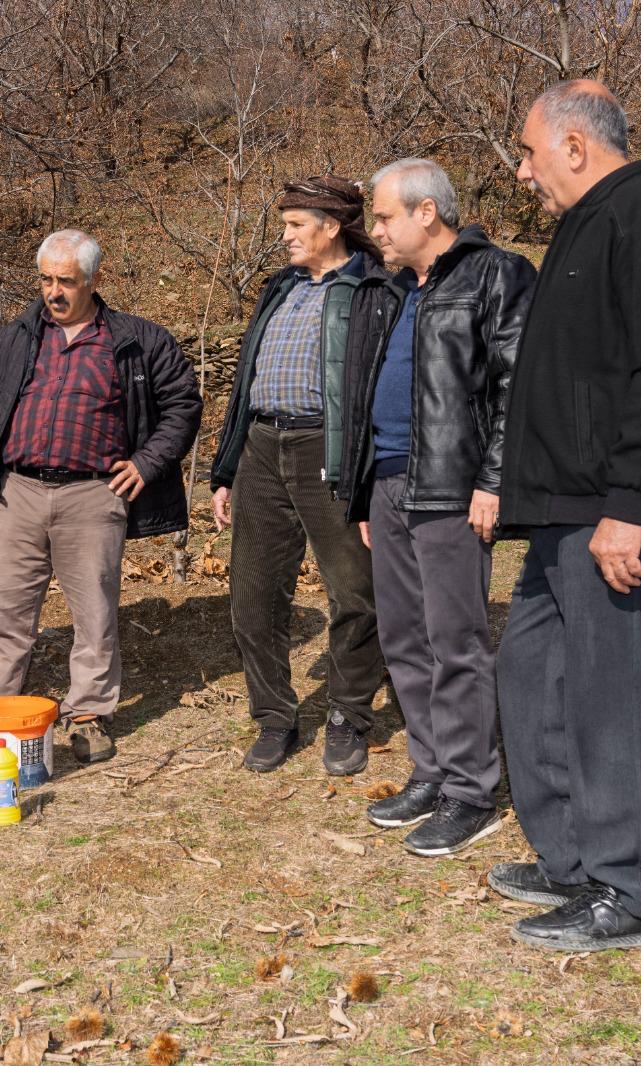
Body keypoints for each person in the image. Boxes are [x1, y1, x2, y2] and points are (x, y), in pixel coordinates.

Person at [491, 81, 641, 951]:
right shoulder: (584, 229)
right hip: (561, 507)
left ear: (577, 146)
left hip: (608, 507)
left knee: (609, 697)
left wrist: (630, 505)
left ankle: (629, 892)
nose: (522, 172)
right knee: (533, 680)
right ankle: (573, 862)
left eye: (529, 152)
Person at [338, 159, 535, 854]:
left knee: (455, 642)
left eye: (385, 216)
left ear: (428, 213)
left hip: (453, 487)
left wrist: (495, 480)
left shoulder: (495, 274)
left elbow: (518, 384)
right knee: (404, 641)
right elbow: (369, 391)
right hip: (389, 484)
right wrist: (366, 489)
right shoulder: (392, 288)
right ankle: (432, 769)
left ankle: (470, 791)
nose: (376, 231)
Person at [0, 229, 200, 766]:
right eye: (45, 279)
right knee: (1, 610)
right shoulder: (17, 336)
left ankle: (88, 714)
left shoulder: (138, 340)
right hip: (18, 492)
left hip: (93, 495)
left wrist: (148, 461)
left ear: (94, 280)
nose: (53, 291)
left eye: (65, 281)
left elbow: (183, 405)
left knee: (94, 614)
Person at [210, 176, 385, 775]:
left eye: (294, 225)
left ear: (331, 227)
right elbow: (243, 387)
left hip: (328, 450)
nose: (283, 236)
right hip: (262, 447)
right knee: (253, 596)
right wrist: (227, 467)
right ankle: (274, 718)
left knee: (355, 592)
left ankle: (348, 716)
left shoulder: (370, 289)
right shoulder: (278, 288)